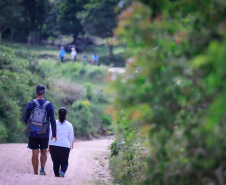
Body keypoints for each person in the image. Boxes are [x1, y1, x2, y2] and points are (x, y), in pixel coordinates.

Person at [24, 85, 57, 175]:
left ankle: (35, 173)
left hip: (33, 133)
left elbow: (25, 119)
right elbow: (53, 121)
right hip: (45, 133)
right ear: (44, 93)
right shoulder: (49, 105)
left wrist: (31, 126)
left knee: (35, 153)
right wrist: (54, 134)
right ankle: (42, 169)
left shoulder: (31, 104)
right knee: (43, 151)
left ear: (36, 93)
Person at [49, 107, 74, 178]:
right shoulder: (69, 125)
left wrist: (49, 145)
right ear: (66, 115)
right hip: (65, 146)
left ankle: (57, 176)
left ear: (58, 114)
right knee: (64, 163)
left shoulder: (53, 123)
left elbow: (50, 135)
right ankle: (62, 172)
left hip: (53, 145)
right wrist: (71, 144)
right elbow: (71, 137)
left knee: (55, 163)